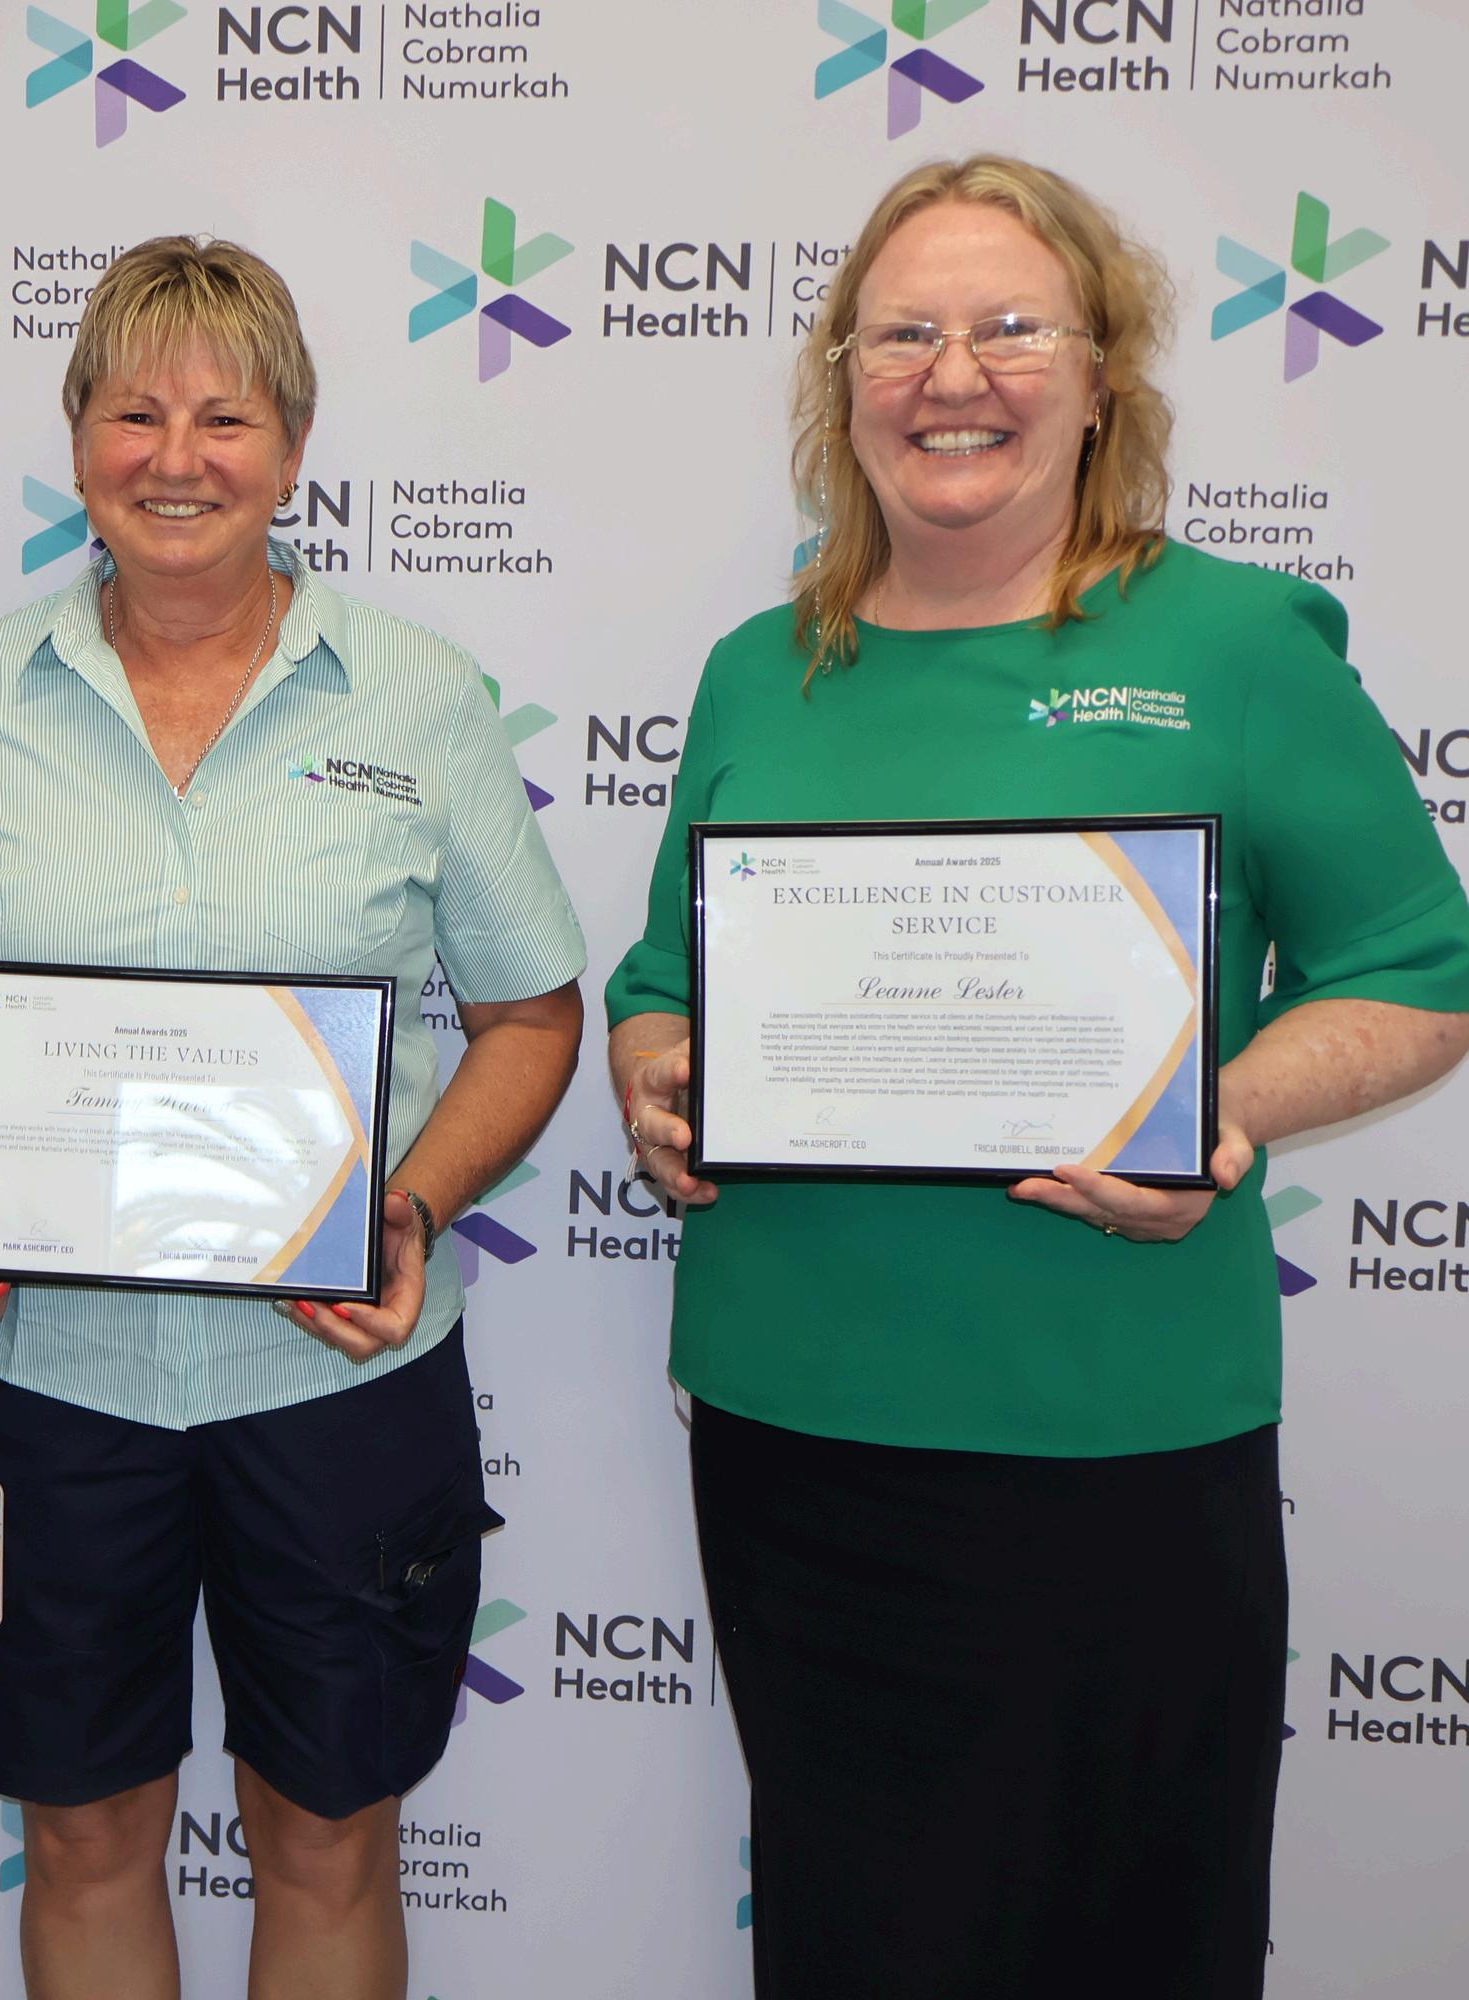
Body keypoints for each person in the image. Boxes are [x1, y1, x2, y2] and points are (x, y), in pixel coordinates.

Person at [608, 155, 1469, 2000]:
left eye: (1011, 328)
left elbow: (1418, 967)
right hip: (796, 1441)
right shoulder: (764, 671)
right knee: (856, 1941)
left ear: (1102, 378)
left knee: (1126, 1941)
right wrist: (657, 1065)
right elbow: (663, 975)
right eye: (901, 335)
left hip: (1116, 1439)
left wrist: (1233, 1107)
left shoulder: (1232, 643)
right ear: (843, 383)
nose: (953, 375)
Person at [0, 236, 585, 2000]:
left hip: (336, 1375)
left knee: (329, 1836)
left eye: (226, 418)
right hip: (56, 1375)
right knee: (83, 1834)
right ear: (76, 440)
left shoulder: (421, 695)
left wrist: (408, 1207)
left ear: (294, 447)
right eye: (136, 414)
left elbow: (530, 1016)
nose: (177, 458)